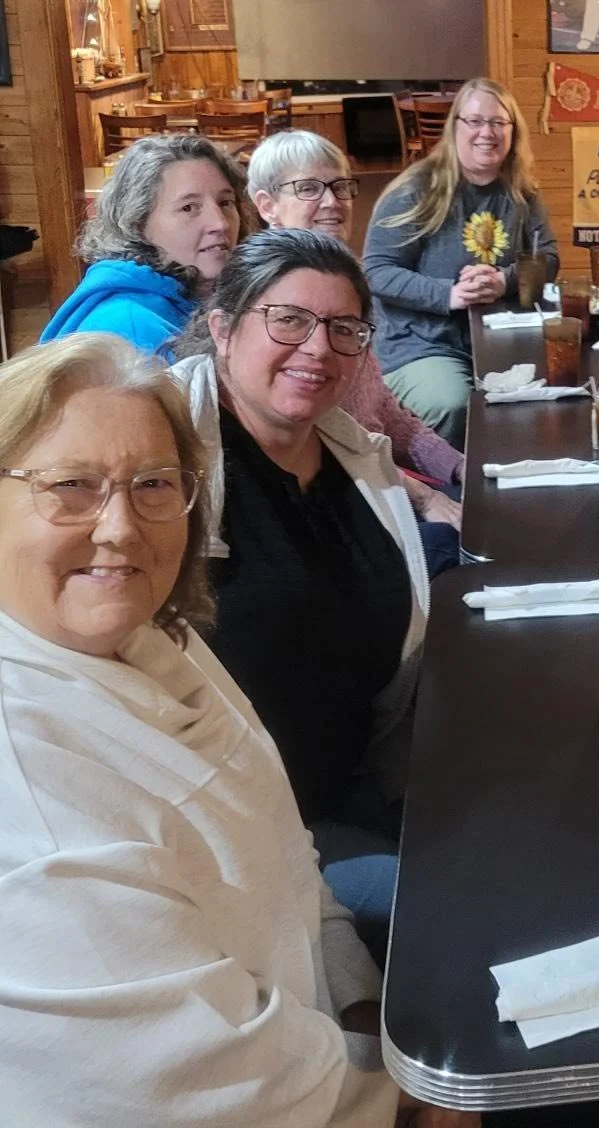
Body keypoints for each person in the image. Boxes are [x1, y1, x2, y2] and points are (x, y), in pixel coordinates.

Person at [0, 333, 400, 1125]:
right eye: (71, 486)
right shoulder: (32, 810)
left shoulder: (157, 639)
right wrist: (413, 1090)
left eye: (153, 484)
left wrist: (360, 1005)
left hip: (323, 1046)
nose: (120, 528)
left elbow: (289, 855)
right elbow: (207, 1092)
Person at [172, 230, 430, 952]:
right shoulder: (169, 467)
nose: (318, 348)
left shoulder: (356, 459)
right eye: (288, 320)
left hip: (363, 782)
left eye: (344, 329)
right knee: (450, 906)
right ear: (223, 329)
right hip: (247, 836)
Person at [249, 130, 462, 577]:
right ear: (267, 206)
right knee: (460, 549)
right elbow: (324, 445)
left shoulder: (346, 280)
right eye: (309, 188)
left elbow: (385, 412)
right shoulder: (267, 300)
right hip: (336, 512)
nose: (332, 202)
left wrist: (459, 467)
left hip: (380, 482)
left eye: (340, 186)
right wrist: (423, 497)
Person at [365, 79, 557, 446]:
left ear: (513, 131)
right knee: (454, 404)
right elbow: (377, 272)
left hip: (499, 339)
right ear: (455, 126)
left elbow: (547, 258)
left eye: (498, 122)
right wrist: (449, 294)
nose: (487, 132)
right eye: (475, 121)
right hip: (422, 344)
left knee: (552, 396)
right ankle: (451, 482)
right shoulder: (416, 190)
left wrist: (504, 280)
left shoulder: (523, 192)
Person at [40, 134, 251, 357]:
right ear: (137, 224)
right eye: (188, 208)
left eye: (225, 202)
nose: (220, 223)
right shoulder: (130, 331)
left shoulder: (210, 295)